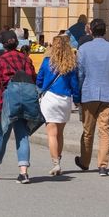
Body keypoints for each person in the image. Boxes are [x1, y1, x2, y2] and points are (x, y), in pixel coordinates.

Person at [0, 30, 39, 184]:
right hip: (23, 101)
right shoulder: (26, 59)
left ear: (2, 45)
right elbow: (33, 79)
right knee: (22, 135)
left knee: (1, 135)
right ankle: (23, 173)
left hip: (4, 102)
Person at [76, 19, 109, 176]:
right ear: (105, 31)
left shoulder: (83, 49)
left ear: (90, 31)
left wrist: (80, 90)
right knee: (105, 130)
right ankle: (103, 165)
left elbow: (80, 73)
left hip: (89, 92)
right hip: (108, 92)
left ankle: (85, 161)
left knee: (88, 130)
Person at [37, 35, 81, 176]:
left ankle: (56, 163)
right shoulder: (71, 64)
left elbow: (39, 80)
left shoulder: (47, 62)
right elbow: (75, 84)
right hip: (64, 99)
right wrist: (77, 99)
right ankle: (58, 159)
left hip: (50, 98)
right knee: (60, 133)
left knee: (51, 134)